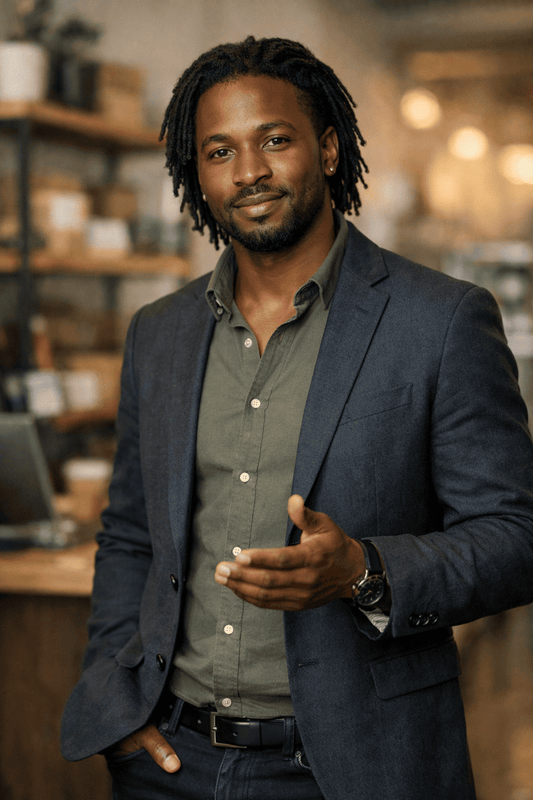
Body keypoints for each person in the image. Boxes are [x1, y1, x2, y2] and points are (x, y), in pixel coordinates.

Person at [61, 36, 533, 800]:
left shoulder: (439, 321)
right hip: (167, 761)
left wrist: (364, 570)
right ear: (196, 175)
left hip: (349, 766)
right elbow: (129, 534)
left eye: (273, 140)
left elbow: (515, 536)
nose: (248, 171)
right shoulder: (161, 332)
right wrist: (117, 702)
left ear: (327, 148)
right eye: (218, 151)